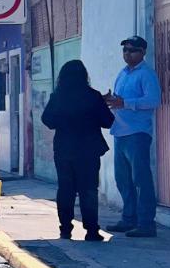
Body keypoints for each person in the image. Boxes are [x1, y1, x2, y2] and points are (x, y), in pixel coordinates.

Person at [40, 59, 114, 241]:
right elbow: (108, 121)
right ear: (84, 76)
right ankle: (92, 231)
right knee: (89, 189)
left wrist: (63, 122)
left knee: (66, 189)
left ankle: (65, 229)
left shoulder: (58, 97)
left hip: (64, 149)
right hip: (88, 150)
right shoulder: (93, 96)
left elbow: (47, 119)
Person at [104, 35, 161, 237]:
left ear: (143, 52)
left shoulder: (146, 74)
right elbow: (119, 100)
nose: (127, 53)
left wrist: (125, 103)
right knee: (123, 180)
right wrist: (110, 99)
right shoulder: (123, 73)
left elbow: (153, 101)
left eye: (132, 50)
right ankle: (129, 219)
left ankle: (146, 223)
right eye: (125, 50)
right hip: (120, 132)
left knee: (141, 179)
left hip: (137, 133)